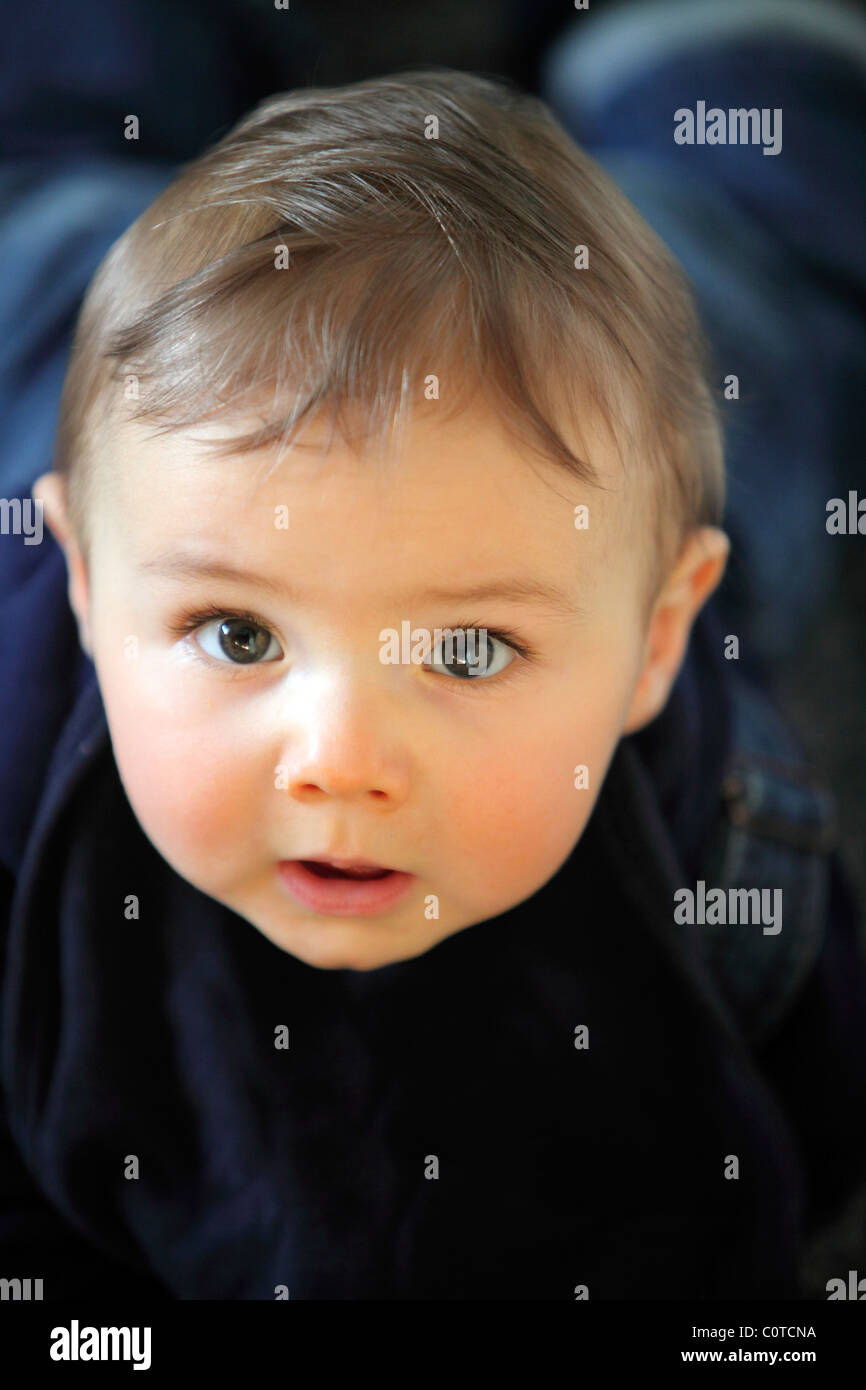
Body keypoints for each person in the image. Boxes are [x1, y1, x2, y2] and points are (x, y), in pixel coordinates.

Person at [1, 42, 865, 1301]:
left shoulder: (715, 843)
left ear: (654, 644)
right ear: (85, 586)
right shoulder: (21, 769)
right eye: (240, 635)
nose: (339, 758)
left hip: (575, 426)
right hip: (89, 381)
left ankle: (708, 44)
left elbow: (811, 1107)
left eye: (464, 649)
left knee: (744, 254)